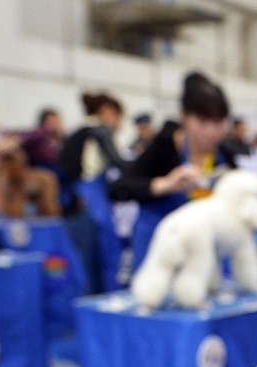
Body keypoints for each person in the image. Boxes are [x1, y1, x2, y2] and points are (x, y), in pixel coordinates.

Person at [109, 71, 237, 271]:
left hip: (204, 251)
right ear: (184, 117)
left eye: (219, 122)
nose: (212, 131)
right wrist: (164, 184)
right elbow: (118, 189)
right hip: (159, 248)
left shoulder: (227, 156)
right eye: (203, 122)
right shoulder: (164, 147)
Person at [58, 91, 132, 292]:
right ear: (107, 112)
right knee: (104, 263)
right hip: (91, 203)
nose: (119, 126)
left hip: (73, 205)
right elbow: (119, 163)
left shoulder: (78, 132)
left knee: (83, 267)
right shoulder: (100, 130)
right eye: (119, 119)